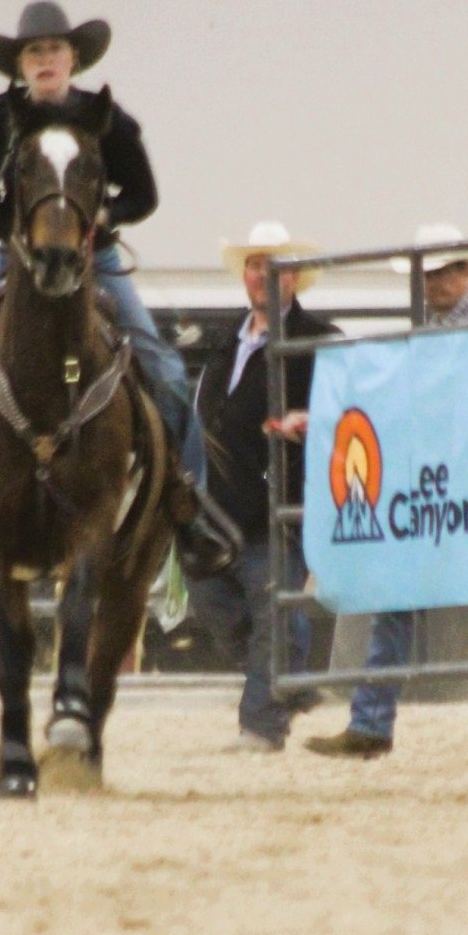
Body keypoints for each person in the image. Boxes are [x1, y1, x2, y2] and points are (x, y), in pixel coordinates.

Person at [0, 0, 236, 578]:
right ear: (20, 64)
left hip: (96, 258)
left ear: (73, 58)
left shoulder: (109, 120)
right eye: (34, 52)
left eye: (54, 49)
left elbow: (143, 194)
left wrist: (103, 221)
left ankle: (190, 506)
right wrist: (15, 237)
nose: (45, 60)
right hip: (19, 256)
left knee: (165, 369)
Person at [306, 222, 468, 757]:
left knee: (407, 592)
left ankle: (371, 723)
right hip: (443, 490)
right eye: (425, 274)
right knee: (397, 593)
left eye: (440, 272)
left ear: (464, 272)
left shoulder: (464, 335)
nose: (432, 283)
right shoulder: (431, 336)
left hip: (460, 486)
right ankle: (370, 723)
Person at [187, 221, 339, 752]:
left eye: (275, 266)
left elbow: (348, 411)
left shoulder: (318, 339)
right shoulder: (224, 341)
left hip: (278, 503)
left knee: (271, 610)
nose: (262, 275)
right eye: (255, 264)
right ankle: (288, 680)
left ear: (294, 278)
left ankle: (261, 725)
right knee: (212, 603)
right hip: (217, 507)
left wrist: (312, 419)